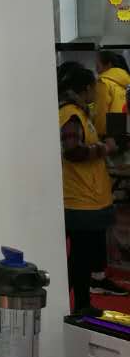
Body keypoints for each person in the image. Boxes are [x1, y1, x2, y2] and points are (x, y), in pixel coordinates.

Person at [58, 61, 124, 312]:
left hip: (88, 196)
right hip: (80, 198)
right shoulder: (71, 114)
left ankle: (79, 303)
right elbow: (72, 151)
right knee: (79, 259)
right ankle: (79, 305)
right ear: (85, 89)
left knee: (81, 257)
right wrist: (104, 148)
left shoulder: (78, 112)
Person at [95, 50, 130, 132]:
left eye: (97, 65)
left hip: (110, 133)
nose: (96, 69)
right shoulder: (126, 80)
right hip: (126, 130)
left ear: (108, 64)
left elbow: (101, 113)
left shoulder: (103, 83)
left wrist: (98, 134)